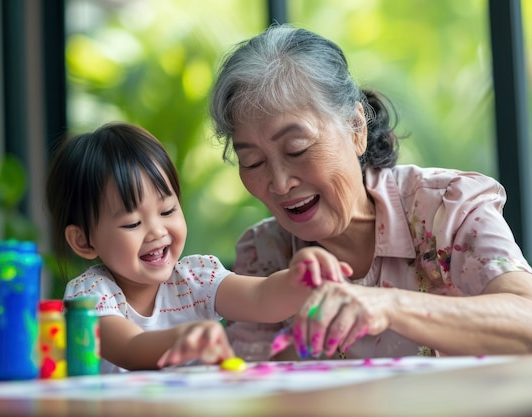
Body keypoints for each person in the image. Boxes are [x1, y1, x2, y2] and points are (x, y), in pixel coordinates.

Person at [208, 23, 532, 361]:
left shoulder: (446, 208)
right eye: (253, 161)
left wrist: (389, 305)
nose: (279, 183)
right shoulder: (265, 255)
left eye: (297, 149)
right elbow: (247, 379)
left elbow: (526, 319)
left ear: (356, 129)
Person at [45, 122, 333, 373]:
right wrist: (185, 337)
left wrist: (301, 278)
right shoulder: (90, 296)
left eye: (168, 210)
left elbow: (262, 298)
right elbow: (131, 349)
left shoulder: (195, 278)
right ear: (84, 241)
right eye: (132, 223)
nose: (157, 231)